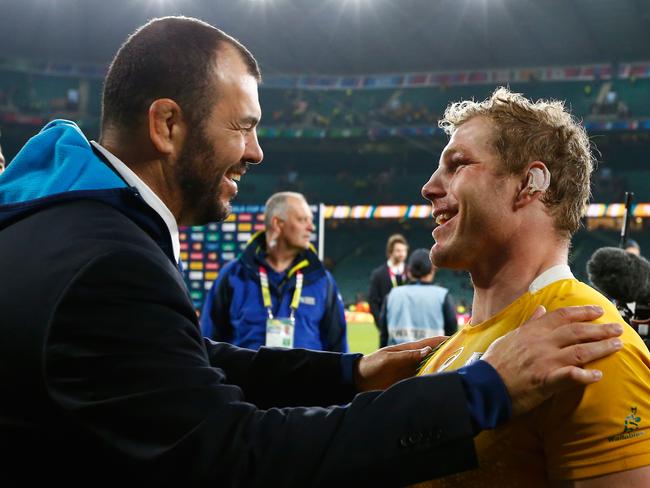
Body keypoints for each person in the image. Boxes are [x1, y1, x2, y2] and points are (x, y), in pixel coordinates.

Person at [0, 17, 624, 486]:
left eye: (457, 164)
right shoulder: (108, 260)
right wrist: (479, 392)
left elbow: (175, 360)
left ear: (531, 184)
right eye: (242, 126)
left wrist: (349, 374)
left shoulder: (63, 224)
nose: (256, 152)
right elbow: (237, 455)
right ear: (167, 125)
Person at [418, 88, 650, 487]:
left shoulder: (592, 345)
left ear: (530, 182)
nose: (430, 187)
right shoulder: (449, 349)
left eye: (458, 165)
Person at [200, 191, 348, 352]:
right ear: (277, 223)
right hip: (246, 377)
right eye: (302, 220)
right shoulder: (233, 275)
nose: (311, 228)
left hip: (307, 378)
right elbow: (209, 343)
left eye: (311, 221)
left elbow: (338, 347)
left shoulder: (321, 278)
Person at [380, 248, 457, 347]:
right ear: (431, 270)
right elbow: (451, 335)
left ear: (408, 271)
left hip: (397, 360)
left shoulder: (392, 295)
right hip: (432, 359)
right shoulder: (443, 296)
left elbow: (384, 337)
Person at [369, 233, 408, 327]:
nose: (402, 254)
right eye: (398, 251)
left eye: (404, 250)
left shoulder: (410, 272)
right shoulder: (378, 274)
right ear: (390, 252)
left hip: (408, 324)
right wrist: (380, 323)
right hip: (387, 324)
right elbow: (373, 301)